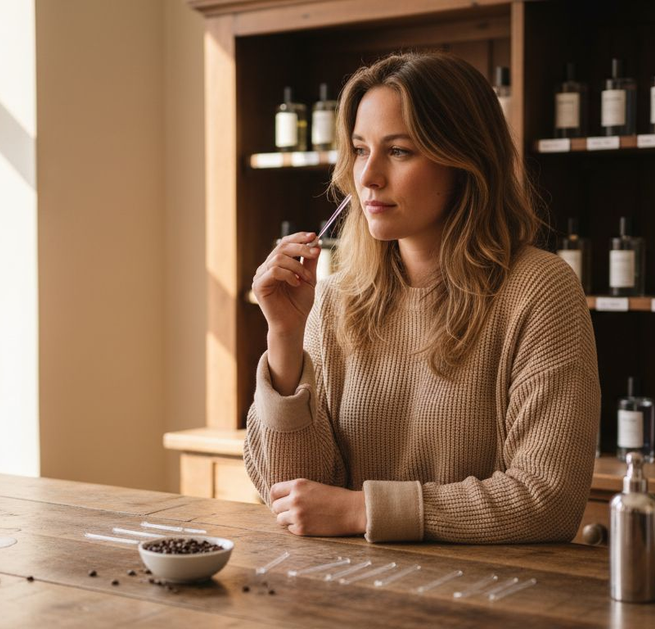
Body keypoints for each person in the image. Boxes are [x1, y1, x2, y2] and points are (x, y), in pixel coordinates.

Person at [246, 51, 599, 544]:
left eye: (399, 151)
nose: (367, 177)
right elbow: (290, 495)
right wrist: (284, 339)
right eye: (360, 149)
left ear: (465, 162)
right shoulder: (336, 298)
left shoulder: (541, 290)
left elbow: (547, 500)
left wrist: (362, 511)